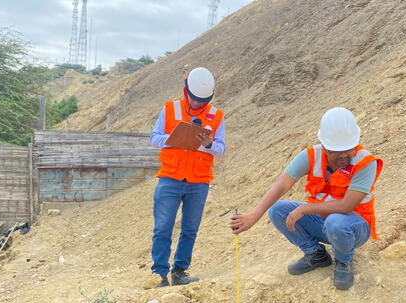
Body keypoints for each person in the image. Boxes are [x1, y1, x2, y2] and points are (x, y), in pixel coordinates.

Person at [230, 107, 382, 290]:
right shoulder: (311, 156)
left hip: (353, 228)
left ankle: (343, 262)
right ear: (324, 144)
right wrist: (254, 215)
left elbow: (347, 206)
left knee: (336, 222)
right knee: (277, 209)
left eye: (348, 149)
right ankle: (316, 255)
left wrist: (305, 209)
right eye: (336, 150)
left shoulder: (365, 162)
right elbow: (282, 184)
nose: (343, 155)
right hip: (323, 222)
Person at [149, 67, 226, 287]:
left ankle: (180, 271)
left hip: (199, 181)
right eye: (193, 99)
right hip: (170, 178)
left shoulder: (216, 116)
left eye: (201, 101)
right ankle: (159, 274)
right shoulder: (170, 108)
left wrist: (208, 144)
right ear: (186, 90)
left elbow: (220, 148)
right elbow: (154, 138)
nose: (195, 104)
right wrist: (174, 139)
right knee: (163, 227)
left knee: (190, 229)